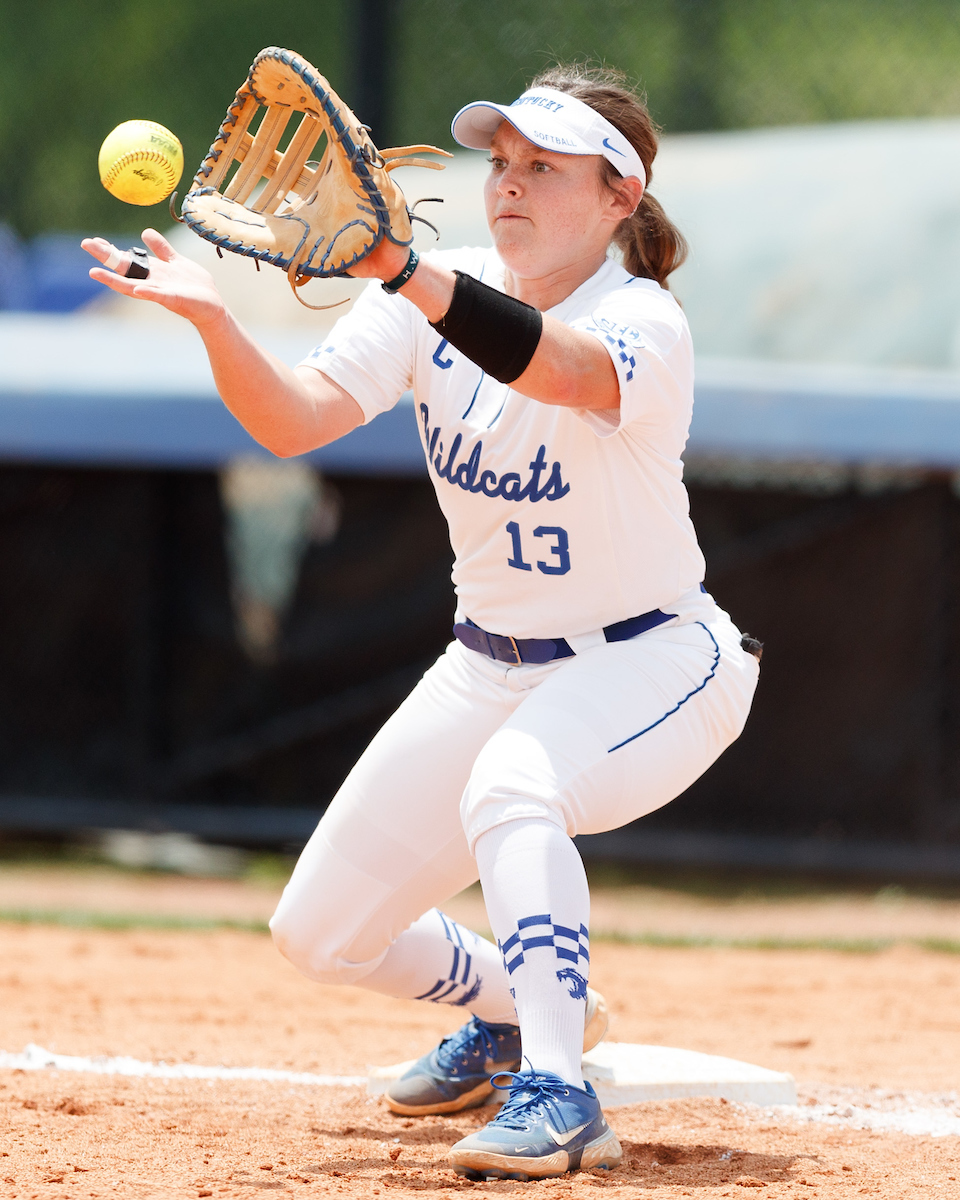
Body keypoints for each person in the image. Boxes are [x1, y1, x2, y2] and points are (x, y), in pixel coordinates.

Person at [83, 63, 760, 1182]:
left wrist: (403, 270)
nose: (510, 184)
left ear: (619, 199)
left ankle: (558, 1093)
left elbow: (559, 368)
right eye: (501, 162)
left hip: (654, 659)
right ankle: (521, 1014)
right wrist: (211, 322)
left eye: (546, 168)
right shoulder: (424, 295)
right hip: (488, 662)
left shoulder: (640, 321)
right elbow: (295, 422)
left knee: (515, 787)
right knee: (319, 934)